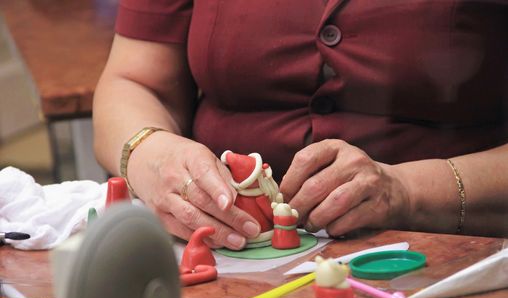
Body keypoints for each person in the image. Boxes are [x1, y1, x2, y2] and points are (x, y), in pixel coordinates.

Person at [93, 0, 508, 250]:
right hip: (225, 258)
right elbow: (135, 83)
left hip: (449, 256)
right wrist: (152, 154)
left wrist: (409, 191)